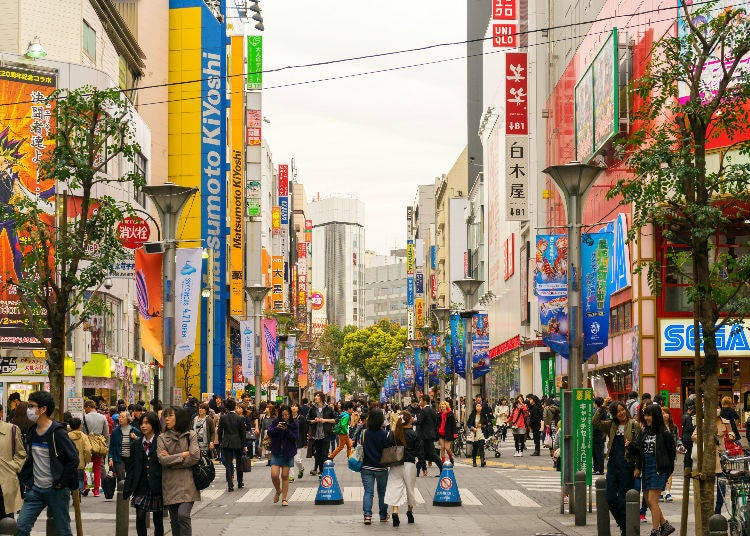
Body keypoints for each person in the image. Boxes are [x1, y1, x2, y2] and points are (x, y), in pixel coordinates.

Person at [17, 391, 79, 536]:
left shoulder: (57, 433)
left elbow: (73, 459)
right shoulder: (32, 431)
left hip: (56, 491)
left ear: (43, 409)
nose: (29, 410)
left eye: (31, 406)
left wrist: (61, 483)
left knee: (63, 531)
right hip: (36, 489)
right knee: (21, 527)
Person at [628, 403, 676, 536]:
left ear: (656, 416)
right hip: (646, 467)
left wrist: (667, 472)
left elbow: (671, 455)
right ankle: (665, 525)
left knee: (652, 500)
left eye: (649, 415)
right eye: (646, 415)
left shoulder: (664, 433)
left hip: (658, 468)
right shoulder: (644, 431)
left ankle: (655, 531)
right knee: (649, 501)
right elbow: (638, 449)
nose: (647, 418)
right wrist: (630, 446)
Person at [593, 400, 639, 536]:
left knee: (623, 500)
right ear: (613, 414)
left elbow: (639, 448)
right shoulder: (611, 425)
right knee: (610, 497)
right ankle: (623, 524)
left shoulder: (634, 425)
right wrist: (602, 407)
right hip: (613, 464)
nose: (622, 412)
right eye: (618, 411)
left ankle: (626, 530)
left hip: (627, 465)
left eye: (622, 409)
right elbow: (595, 422)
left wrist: (638, 467)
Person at [157, 407, 200, 536]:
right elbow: (162, 459)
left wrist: (172, 461)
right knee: (174, 521)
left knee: (183, 515)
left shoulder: (190, 434)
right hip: (170, 484)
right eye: (165, 416)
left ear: (179, 417)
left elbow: (194, 457)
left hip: (188, 483)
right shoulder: (162, 437)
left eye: (170, 415)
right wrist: (182, 455)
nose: (167, 418)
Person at [124, 412, 164, 536]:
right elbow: (131, 468)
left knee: (158, 519)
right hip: (140, 485)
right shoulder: (136, 443)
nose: (143, 426)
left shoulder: (161, 441)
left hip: (157, 484)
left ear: (153, 424)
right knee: (140, 516)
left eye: (146, 423)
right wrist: (127, 487)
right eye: (141, 423)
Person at [384, 410, 422, 527]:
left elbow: (387, 445)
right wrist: (421, 465)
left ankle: (395, 511)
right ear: (410, 420)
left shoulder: (394, 433)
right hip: (409, 464)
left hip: (396, 464)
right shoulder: (414, 434)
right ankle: (410, 512)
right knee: (410, 489)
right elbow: (419, 451)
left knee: (395, 487)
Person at [360, 408, 389, 525]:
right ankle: (383, 515)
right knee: (382, 492)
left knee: (368, 492)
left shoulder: (364, 433)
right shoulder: (385, 434)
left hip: (366, 467)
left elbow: (360, 446)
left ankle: (367, 516)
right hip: (381, 468)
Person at [268, 405, 298, 506]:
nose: (285, 417)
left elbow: (295, 437)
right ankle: (278, 490)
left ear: (290, 415)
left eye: (287, 415)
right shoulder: (276, 422)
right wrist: (277, 428)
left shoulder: (294, 424)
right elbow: (269, 433)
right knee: (274, 474)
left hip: (288, 452)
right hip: (276, 451)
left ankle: (284, 499)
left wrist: (287, 430)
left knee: (285, 476)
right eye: (283, 415)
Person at [0, 402, 25, 518]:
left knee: (6, 521)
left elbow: (21, 454)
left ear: (0, 413)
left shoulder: (12, 429)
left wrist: (14, 467)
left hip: (6, 483)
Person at [217, 398, 247, 492]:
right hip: (238, 442)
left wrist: (221, 441)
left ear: (227, 407)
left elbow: (219, 431)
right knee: (239, 463)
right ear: (235, 407)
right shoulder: (240, 418)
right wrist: (244, 445)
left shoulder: (223, 417)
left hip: (227, 442)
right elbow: (243, 433)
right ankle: (240, 482)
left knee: (229, 463)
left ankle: (230, 484)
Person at [83, 398, 110, 497]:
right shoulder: (102, 417)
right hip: (98, 445)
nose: (84, 410)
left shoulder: (85, 418)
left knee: (88, 466)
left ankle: (88, 486)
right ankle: (96, 490)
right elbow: (106, 433)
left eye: (85, 408)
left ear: (89, 407)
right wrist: (106, 445)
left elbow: (83, 432)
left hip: (88, 444)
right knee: (97, 467)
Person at [308, 392, 336, 476]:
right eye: (315, 396)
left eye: (317, 396)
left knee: (325, 454)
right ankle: (320, 471)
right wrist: (313, 421)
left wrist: (325, 420)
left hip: (326, 434)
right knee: (318, 454)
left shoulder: (328, 408)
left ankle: (324, 472)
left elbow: (336, 419)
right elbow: (307, 419)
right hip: (315, 435)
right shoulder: (312, 408)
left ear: (321, 398)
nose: (315, 397)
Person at [660, 407, 684, 503]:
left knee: (669, 472)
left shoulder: (673, 427)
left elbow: (677, 439)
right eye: (662, 413)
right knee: (662, 472)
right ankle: (661, 492)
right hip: (661, 453)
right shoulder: (658, 427)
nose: (664, 415)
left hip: (671, 453)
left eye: (666, 413)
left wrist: (680, 445)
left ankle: (668, 492)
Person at [415, 395, 442, 477]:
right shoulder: (432, 410)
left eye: (421, 400)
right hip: (430, 434)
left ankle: (443, 469)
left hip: (425, 435)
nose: (420, 402)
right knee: (422, 453)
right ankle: (418, 471)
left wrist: (412, 421)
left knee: (432, 454)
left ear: (425, 401)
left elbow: (419, 422)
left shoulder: (424, 410)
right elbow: (437, 421)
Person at [109, 410, 140, 480]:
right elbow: (111, 446)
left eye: (122, 417)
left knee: (131, 478)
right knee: (121, 480)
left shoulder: (134, 430)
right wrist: (110, 458)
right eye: (119, 417)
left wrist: (136, 438)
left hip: (131, 458)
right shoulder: (115, 431)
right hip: (119, 458)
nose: (120, 419)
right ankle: (121, 491)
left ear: (128, 418)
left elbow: (141, 442)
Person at [67, 418, 91, 498]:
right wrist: (87, 461)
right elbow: (87, 449)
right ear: (80, 426)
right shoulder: (83, 436)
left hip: (68, 462)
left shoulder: (67, 436)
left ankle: (73, 493)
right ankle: (78, 493)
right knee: (80, 479)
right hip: (80, 462)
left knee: (69, 479)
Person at [467, 401, 492, 467]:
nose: (478, 407)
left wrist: (483, 425)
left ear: (481, 407)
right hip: (475, 433)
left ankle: (482, 460)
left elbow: (487, 424)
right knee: (475, 448)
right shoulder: (472, 415)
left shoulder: (483, 415)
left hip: (481, 433)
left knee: (481, 447)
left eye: (480, 406)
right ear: (475, 407)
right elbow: (468, 424)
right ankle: (474, 461)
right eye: (477, 406)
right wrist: (472, 428)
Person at [290, 402, 307, 482]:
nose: (293, 407)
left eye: (295, 406)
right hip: (289, 441)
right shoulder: (288, 417)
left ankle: (301, 468)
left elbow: (304, 431)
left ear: (298, 408)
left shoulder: (301, 418)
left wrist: (305, 442)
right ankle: (291, 477)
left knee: (297, 459)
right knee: (290, 459)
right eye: (292, 405)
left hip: (298, 441)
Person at [437, 400, 456, 464]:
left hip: (448, 433)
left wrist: (455, 433)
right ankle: (443, 461)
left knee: (447, 448)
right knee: (442, 447)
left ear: (446, 406)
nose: (442, 406)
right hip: (441, 433)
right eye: (441, 405)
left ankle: (451, 458)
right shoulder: (439, 414)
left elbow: (453, 424)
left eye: (444, 404)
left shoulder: (450, 414)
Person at [592, 397, 607, 475]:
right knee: (595, 452)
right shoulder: (601, 411)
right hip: (598, 434)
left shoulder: (600, 411)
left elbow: (595, 422)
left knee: (598, 453)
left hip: (598, 434)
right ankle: (596, 469)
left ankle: (599, 470)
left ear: (595, 403)